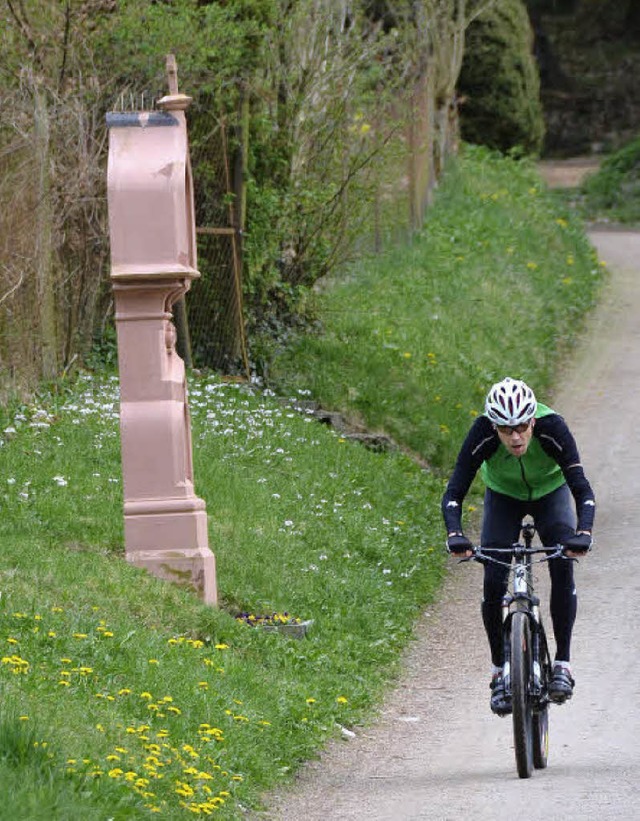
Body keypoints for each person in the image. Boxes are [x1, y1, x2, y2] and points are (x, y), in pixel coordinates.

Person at [441, 376, 595, 715]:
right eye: (506, 429)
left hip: (550, 494)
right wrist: (455, 535)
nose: (515, 436)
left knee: (562, 562)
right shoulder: (482, 433)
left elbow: (582, 490)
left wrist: (583, 533)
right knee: (493, 580)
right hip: (503, 497)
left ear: (533, 420)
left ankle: (563, 664)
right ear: (494, 426)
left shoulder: (553, 427)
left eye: (522, 426)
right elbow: (454, 492)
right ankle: (499, 671)